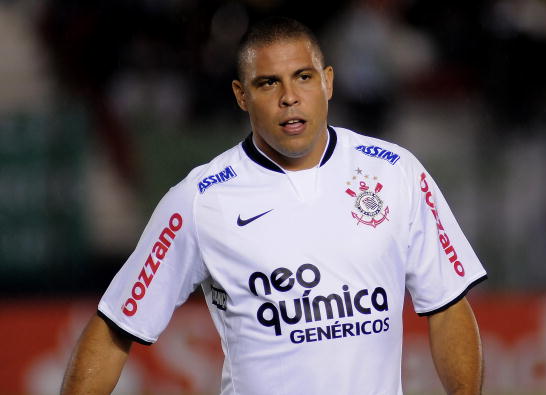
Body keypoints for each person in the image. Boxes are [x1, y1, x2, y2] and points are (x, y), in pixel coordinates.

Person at [61, 16, 487, 395]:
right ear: (241, 95)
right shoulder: (202, 199)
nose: (289, 97)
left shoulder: (396, 173)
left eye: (303, 76)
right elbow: (116, 324)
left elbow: (447, 305)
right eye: (268, 83)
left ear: (328, 82)